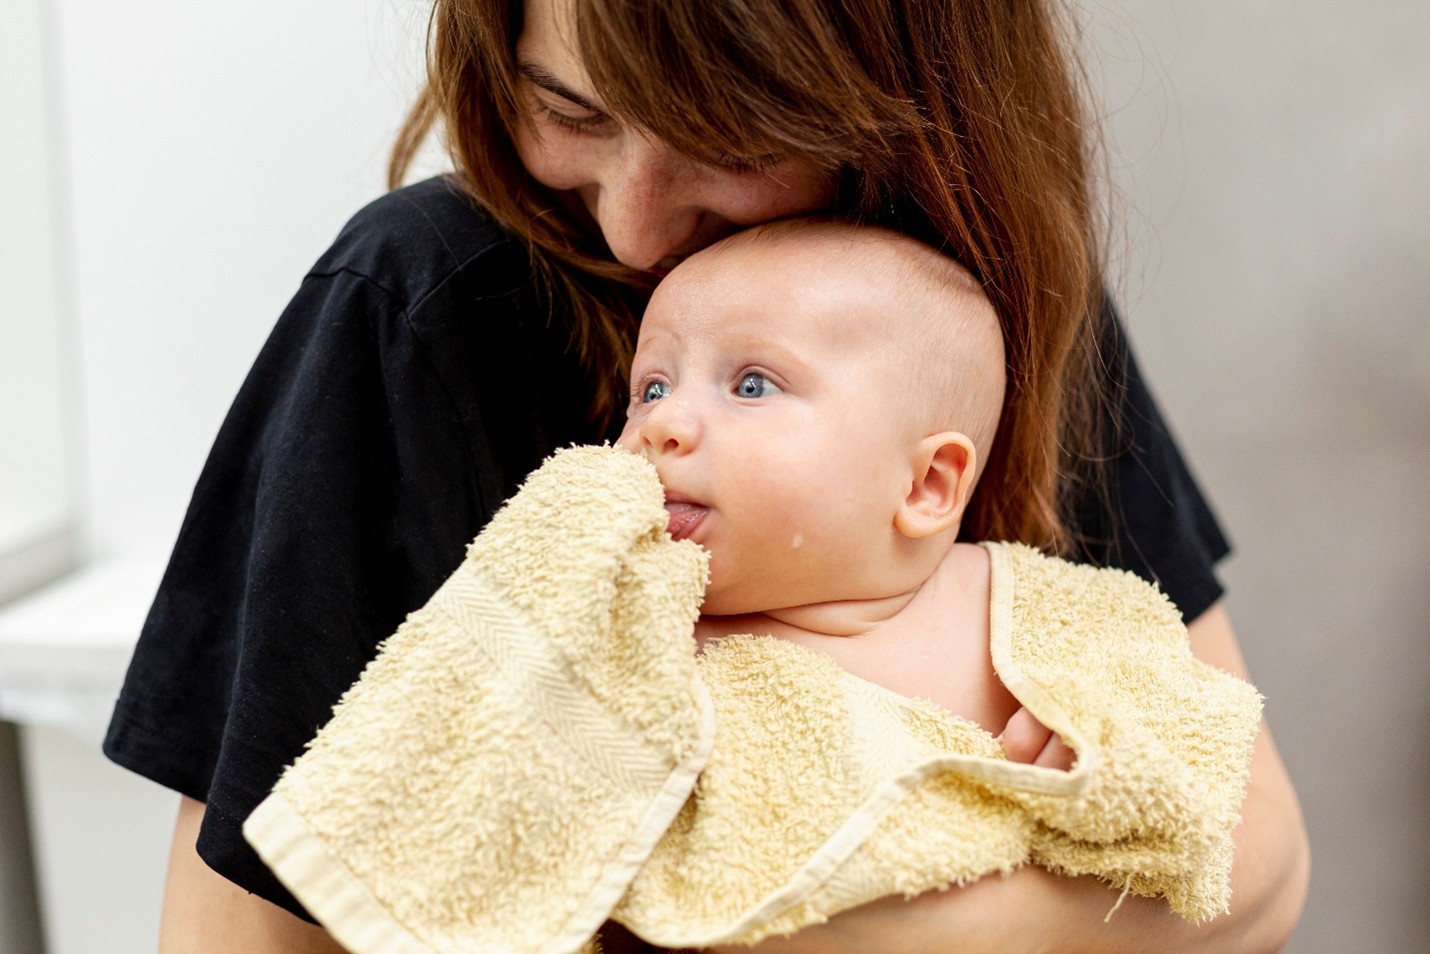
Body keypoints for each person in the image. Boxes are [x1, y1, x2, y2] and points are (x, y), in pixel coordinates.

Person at [103, 0, 1309, 950]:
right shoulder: (421, 309)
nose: (630, 226)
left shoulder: (950, 316)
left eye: (725, 141)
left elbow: (1254, 854)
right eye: (568, 108)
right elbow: (246, 930)